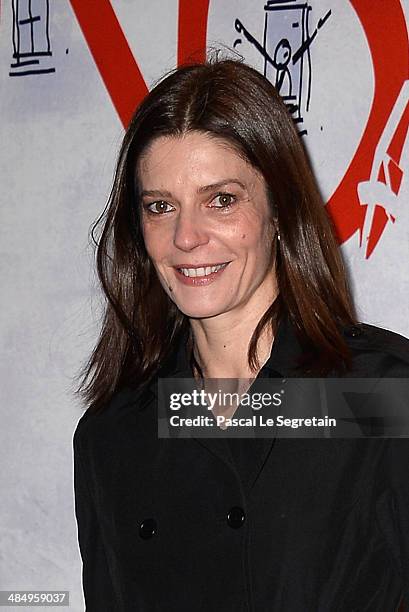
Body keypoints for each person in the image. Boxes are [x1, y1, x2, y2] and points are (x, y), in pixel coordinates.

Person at [73, 57, 409, 611]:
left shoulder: (379, 398)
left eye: (220, 200)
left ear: (279, 211)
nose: (186, 236)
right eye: (161, 207)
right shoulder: (114, 434)